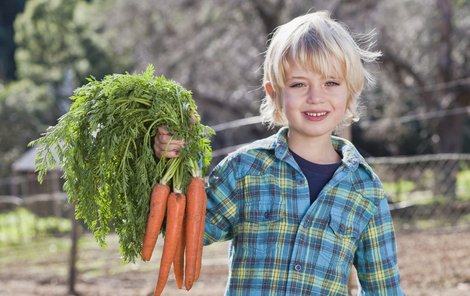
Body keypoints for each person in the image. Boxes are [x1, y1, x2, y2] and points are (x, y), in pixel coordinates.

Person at [154, 10, 404, 295]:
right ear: (274, 92)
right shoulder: (245, 169)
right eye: (299, 84)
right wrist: (176, 156)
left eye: (331, 83)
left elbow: (384, 288)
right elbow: (191, 228)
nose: (315, 96)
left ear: (351, 91)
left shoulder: (365, 189)